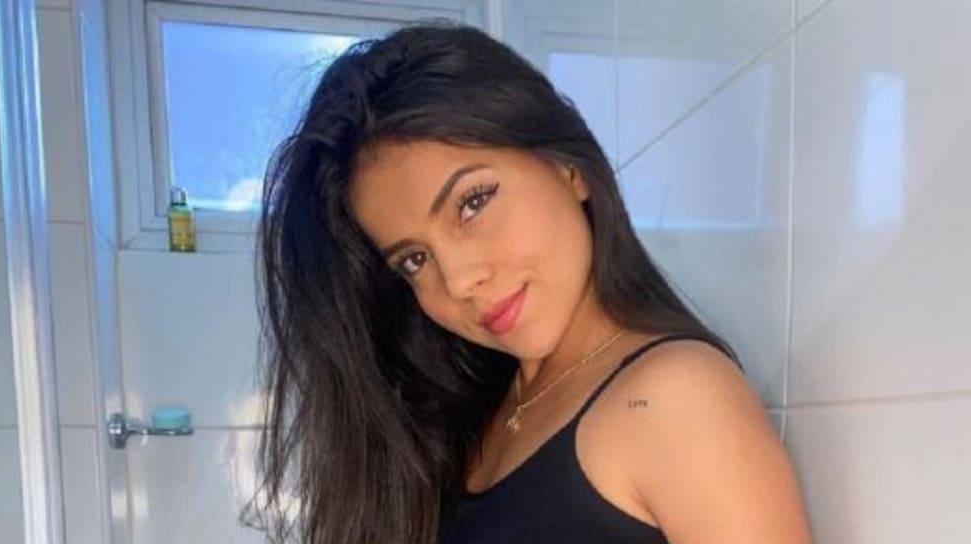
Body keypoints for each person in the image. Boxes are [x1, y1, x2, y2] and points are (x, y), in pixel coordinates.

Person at [242, 17, 810, 544]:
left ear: (568, 167)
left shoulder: (673, 396)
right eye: (414, 260)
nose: (459, 281)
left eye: (472, 202)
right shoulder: (481, 410)